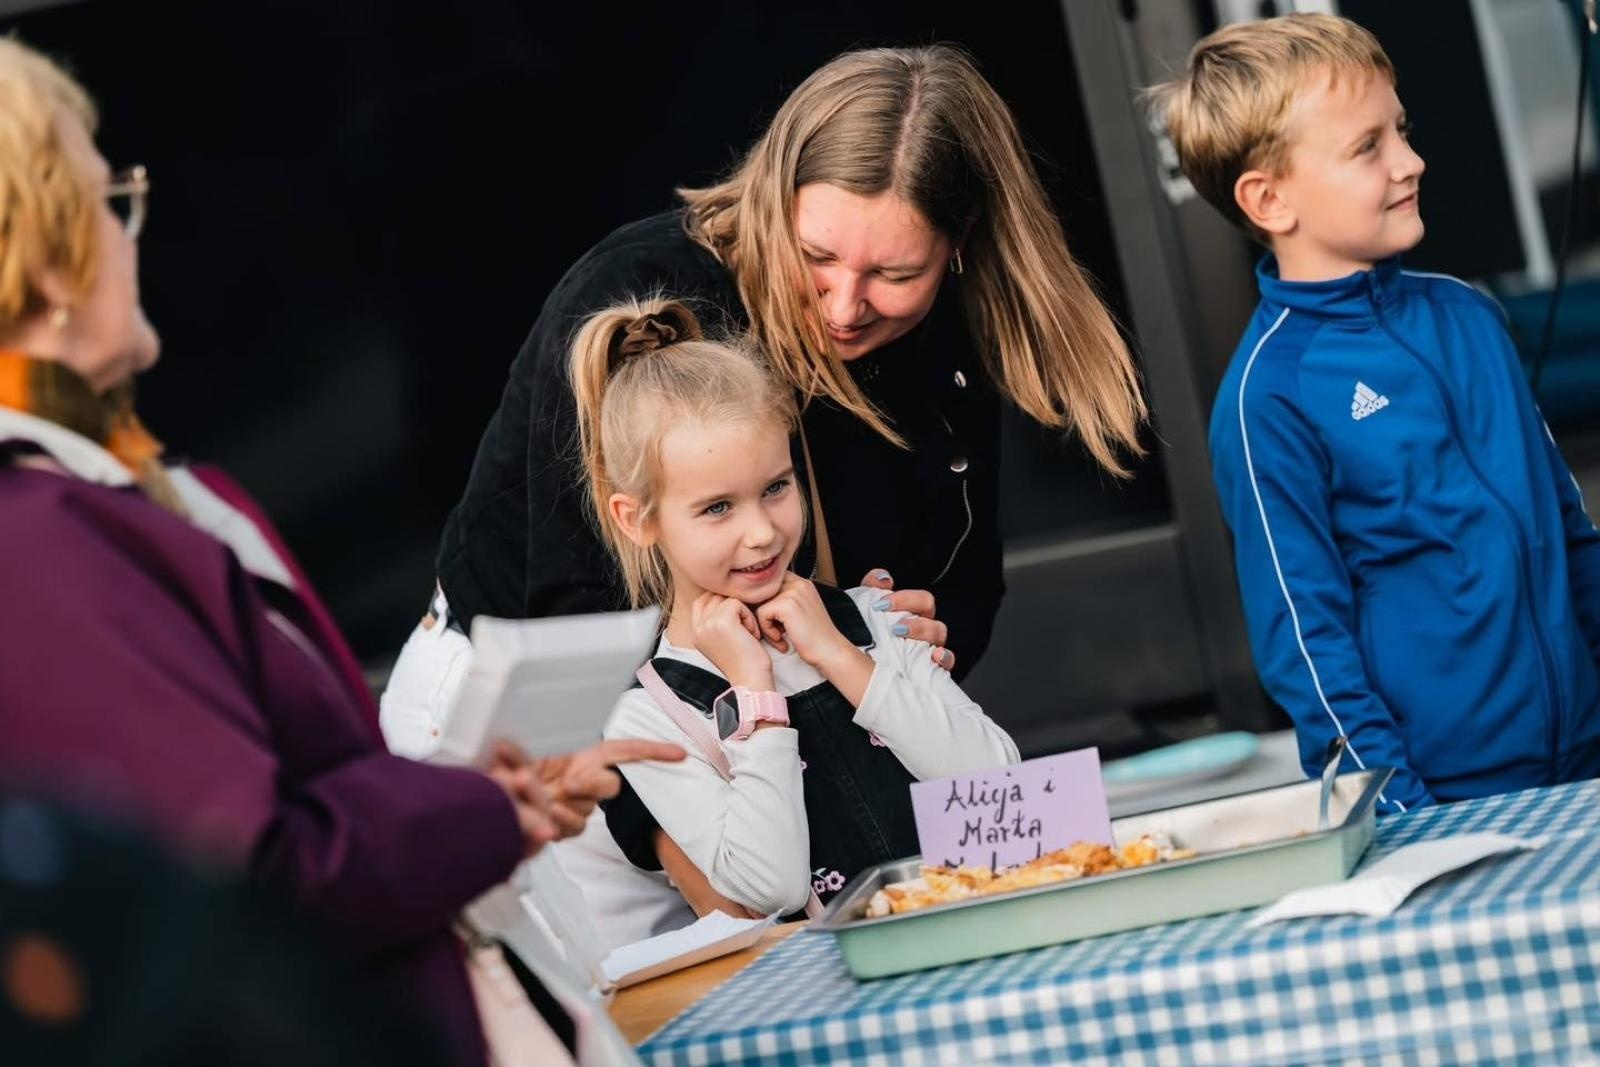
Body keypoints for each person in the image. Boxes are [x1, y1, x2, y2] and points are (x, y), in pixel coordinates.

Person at [0, 39, 681, 1065]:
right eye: (109, 202)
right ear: (47, 261)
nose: (129, 234)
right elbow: (247, 865)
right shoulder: (33, 535)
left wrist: (477, 798)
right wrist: (479, 807)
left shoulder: (107, 497)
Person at [381, 42, 1148, 744]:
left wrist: (917, 633)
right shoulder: (645, 295)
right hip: (547, 719)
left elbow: (967, 586)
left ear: (959, 245)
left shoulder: (953, 330)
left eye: (894, 274)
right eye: (817, 256)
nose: (846, 306)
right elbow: (575, 608)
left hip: (778, 728)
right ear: (774, 196)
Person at [1151, 13, 1600, 813]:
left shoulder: (1470, 317)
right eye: (1368, 147)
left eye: (1402, 130)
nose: (1411, 161)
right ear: (1269, 199)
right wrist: (1402, 816)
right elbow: (1308, 648)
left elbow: (1570, 535)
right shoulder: (1268, 399)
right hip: (1451, 801)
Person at [560, 297, 1018, 930]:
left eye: (776, 487)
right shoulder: (650, 715)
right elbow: (769, 888)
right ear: (637, 520)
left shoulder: (869, 618)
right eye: (717, 508)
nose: (762, 533)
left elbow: (997, 782)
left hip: (985, 934)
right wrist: (756, 694)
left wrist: (838, 655)